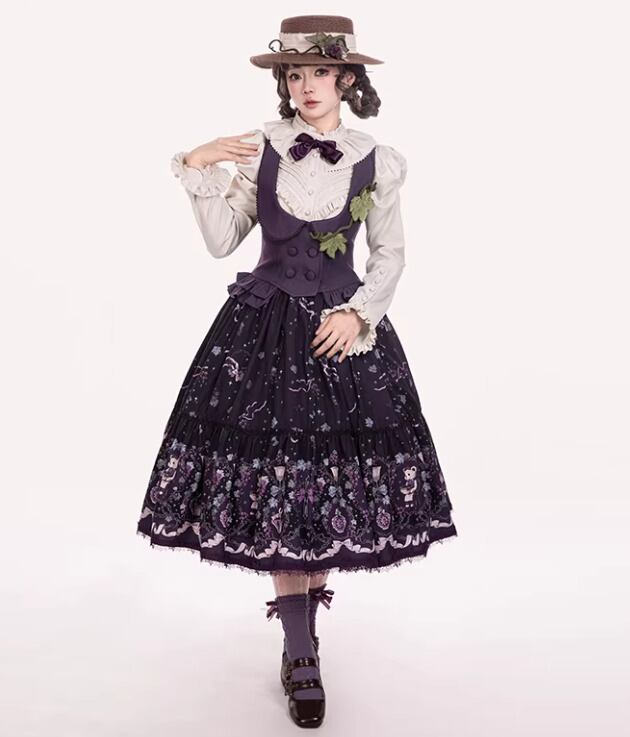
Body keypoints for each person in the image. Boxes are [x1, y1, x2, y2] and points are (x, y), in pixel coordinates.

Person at [136, 14, 458, 728]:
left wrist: (360, 316)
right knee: (281, 481)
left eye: (319, 72)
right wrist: (198, 167)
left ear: (345, 78)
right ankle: (302, 651)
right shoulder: (263, 150)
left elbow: (389, 254)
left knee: (323, 484)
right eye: (294, 74)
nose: (306, 86)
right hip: (265, 334)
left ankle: (300, 635)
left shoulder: (376, 160)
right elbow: (223, 241)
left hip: (339, 335)